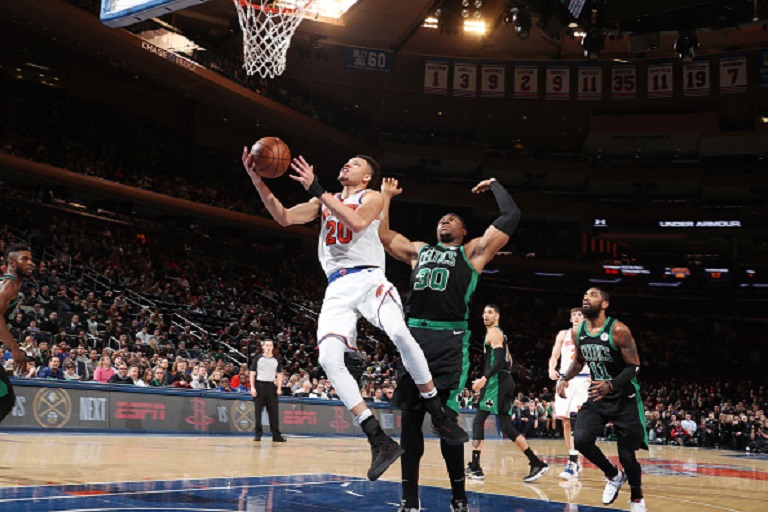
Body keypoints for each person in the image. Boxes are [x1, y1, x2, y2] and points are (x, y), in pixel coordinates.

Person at [243, 150, 465, 481]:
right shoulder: (325, 200)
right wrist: (257, 180)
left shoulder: (372, 196)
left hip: (369, 278)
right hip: (337, 287)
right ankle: (377, 437)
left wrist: (316, 189)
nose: (346, 163)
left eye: (356, 163)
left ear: (365, 177)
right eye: (345, 160)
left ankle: (437, 410)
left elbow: (358, 222)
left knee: (401, 334)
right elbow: (284, 217)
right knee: (329, 359)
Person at [378, 177, 521, 512]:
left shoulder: (473, 253)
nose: (445, 220)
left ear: (464, 231)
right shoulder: (419, 251)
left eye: (453, 219)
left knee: (448, 422)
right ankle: (409, 499)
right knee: (410, 423)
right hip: (414, 336)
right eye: (442, 218)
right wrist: (386, 197)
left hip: (449, 341)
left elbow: (511, 215)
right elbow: (384, 236)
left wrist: (497, 185)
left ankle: (459, 498)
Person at [556, 288, 648, 512]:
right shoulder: (579, 332)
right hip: (598, 394)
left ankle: (636, 497)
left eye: (593, 295)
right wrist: (564, 376)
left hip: (624, 397)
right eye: (584, 295)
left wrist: (611, 384)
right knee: (582, 440)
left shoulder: (618, 330)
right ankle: (613, 474)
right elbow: (579, 360)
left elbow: (634, 366)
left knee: (627, 456)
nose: (586, 297)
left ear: (605, 304)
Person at [466, 305, 549, 484]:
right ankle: (536, 462)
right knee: (505, 426)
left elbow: (499, 360)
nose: (485, 315)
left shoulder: (493, 333)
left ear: (497, 316)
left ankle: (476, 466)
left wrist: (484, 379)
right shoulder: (501, 334)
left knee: (478, 420)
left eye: (489, 312)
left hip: (496, 382)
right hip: (504, 381)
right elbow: (509, 361)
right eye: (483, 312)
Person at [548, 307, 590, 480]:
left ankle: (577, 458)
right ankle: (573, 459)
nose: (576, 318)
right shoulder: (562, 334)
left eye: (579, 315)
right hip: (565, 380)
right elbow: (555, 354)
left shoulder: (591, 334)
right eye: (573, 315)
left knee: (578, 421)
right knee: (565, 421)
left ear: (585, 318)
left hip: (584, 379)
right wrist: (551, 368)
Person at [0, 245, 34, 424]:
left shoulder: (10, 286)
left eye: (31, 259)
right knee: (4, 399)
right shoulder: (8, 286)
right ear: (12, 263)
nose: (31, 263)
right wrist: (14, 349)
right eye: (25, 259)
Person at [250, 339, 286, 442]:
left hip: (271, 386)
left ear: (273, 347)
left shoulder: (276, 360)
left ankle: (276, 435)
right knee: (258, 412)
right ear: (263, 347)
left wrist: (279, 388)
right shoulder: (257, 359)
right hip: (259, 385)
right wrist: (252, 387)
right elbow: (252, 373)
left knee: (274, 413)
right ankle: (258, 434)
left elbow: (279, 375)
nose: (268, 347)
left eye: (270, 345)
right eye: (267, 345)